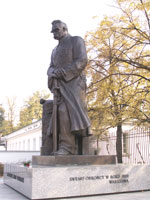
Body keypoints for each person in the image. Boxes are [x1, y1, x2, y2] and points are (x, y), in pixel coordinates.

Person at [47, 20, 90, 155]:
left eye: (57, 30)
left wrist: (64, 72)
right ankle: (65, 145)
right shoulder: (54, 50)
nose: (54, 33)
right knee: (59, 112)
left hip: (74, 83)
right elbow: (49, 68)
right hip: (59, 85)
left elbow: (82, 60)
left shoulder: (76, 40)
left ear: (64, 29)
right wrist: (54, 73)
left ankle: (68, 147)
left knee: (65, 111)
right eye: (53, 31)